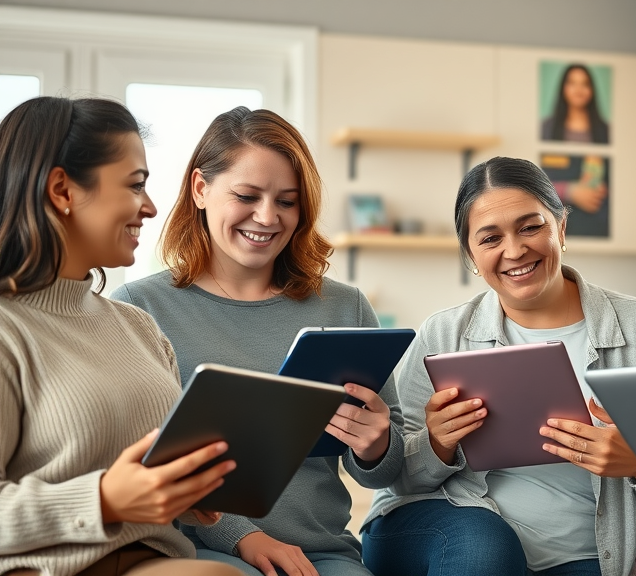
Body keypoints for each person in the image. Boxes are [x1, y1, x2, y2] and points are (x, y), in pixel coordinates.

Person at [111, 107, 404, 576]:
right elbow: (146, 460)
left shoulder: (344, 308)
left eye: (287, 201)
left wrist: (377, 445)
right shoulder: (140, 307)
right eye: (247, 195)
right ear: (200, 189)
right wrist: (242, 536)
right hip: (198, 550)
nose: (267, 217)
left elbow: (390, 468)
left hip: (322, 553)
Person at [361, 156, 636, 576]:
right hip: (453, 525)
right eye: (490, 239)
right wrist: (438, 443)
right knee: (483, 553)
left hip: (590, 553)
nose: (515, 250)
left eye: (531, 227)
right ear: (471, 255)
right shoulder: (443, 334)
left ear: (561, 228)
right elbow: (396, 478)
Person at [0, 97, 243, 576]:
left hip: (152, 558)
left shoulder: (137, 327)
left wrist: (184, 489)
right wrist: (105, 499)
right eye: (135, 186)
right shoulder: (9, 331)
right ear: (62, 190)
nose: (150, 207)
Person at [541, 64, 610, 144]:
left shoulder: (607, 130)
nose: (578, 90)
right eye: (572, 83)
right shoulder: (546, 128)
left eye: (585, 84)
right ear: (563, 88)